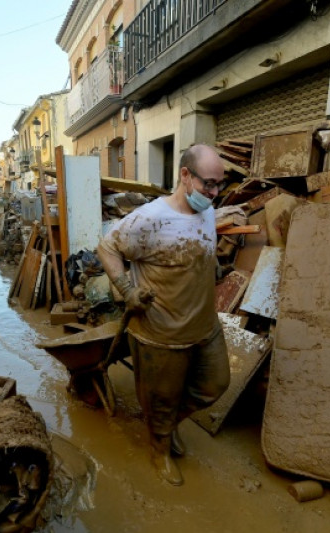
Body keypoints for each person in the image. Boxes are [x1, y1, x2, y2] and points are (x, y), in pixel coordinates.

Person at [97, 144, 230, 486]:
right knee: (161, 400)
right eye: (208, 184)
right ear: (185, 175)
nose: (214, 194)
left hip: (204, 326)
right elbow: (107, 247)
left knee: (215, 383)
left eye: (219, 185)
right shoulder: (150, 218)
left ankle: (167, 428)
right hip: (162, 332)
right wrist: (127, 291)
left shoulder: (208, 211)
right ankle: (160, 450)